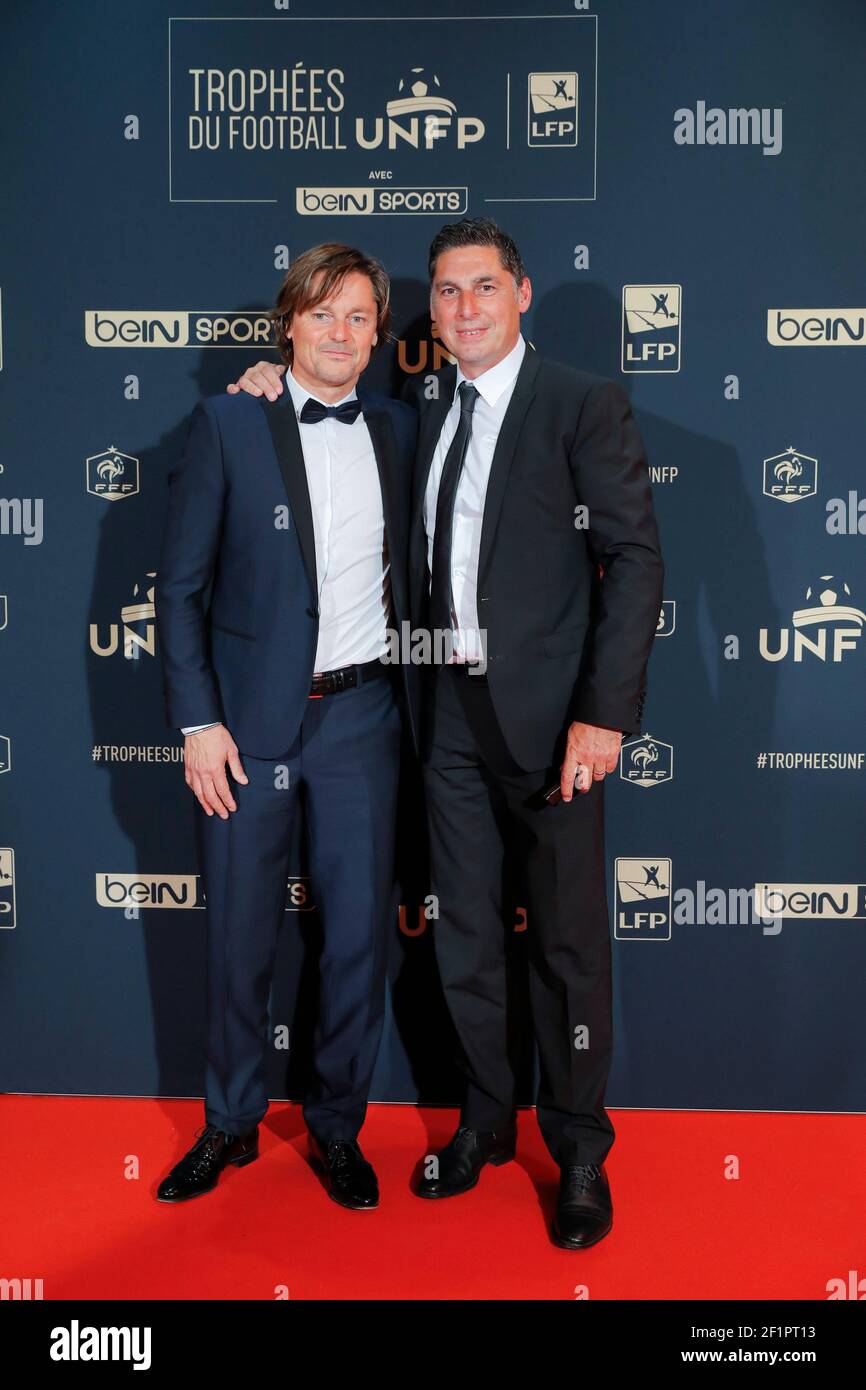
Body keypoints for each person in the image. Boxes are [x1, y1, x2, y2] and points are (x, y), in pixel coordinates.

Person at [230, 216, 664, 1249]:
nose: (461, 307)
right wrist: (263, 386)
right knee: (464, 937)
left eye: (481, 287)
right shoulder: (418, 408)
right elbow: (315, 419)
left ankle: (577, 1152)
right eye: (445, 291)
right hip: (443, 721)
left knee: (563, 947)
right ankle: (480, 1123)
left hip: (556, 726)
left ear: (520, 293)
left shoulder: (578, 401)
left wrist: (603, 714)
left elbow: (632, 562)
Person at [154, 243, 418, 1210]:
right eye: (322, 313)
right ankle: (229, 1125)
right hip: (247, 731)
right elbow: (178, 592)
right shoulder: (230, 420)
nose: (340, 333)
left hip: (363, 719)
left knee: (354, 939)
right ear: (289, 323)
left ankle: (338, 1128)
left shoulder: (398, 429)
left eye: (358, 317)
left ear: (379, 334)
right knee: (236, 937)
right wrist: (198, 722)